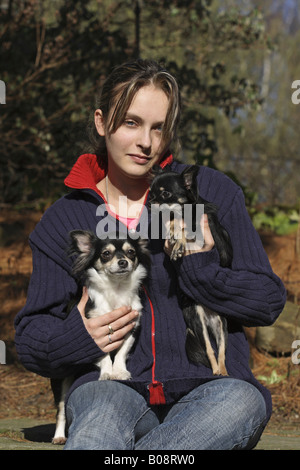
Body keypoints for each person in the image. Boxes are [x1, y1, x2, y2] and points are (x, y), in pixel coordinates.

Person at [15, 59, 286, 450]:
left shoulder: (203, 194)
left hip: (212, 389)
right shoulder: (68, 216)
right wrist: (80, 336)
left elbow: (267, 301)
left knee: (242, 401)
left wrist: (201, 267)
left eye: (158, 127)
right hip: (110, 386)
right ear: (101, 122)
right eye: (131, 123)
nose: (146, 141)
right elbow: (31, 340)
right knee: (96, 432)